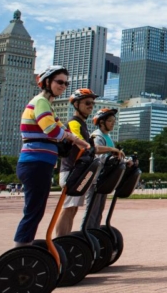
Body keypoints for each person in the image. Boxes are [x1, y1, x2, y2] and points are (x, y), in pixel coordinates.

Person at [15, 66, 90, 247]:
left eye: (66, 83)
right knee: (33, 210)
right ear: (47, 82)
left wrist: (83, 143)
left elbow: (61, 128)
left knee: (36, 209)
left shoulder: (47, 105)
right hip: (34, 163)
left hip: (41, 163)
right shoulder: (40, 102)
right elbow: (52, 130)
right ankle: (21, 252)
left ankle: (25, 248)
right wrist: (74, 139)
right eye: (59, 82)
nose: (63, 86)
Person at [56, 88, 121, 237]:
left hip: (79, 172)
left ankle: (64, 242)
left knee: (72, 209)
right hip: (71, 171)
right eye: (87, 103)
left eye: (92, 103)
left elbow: (89, 148)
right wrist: (110, 149)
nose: (90, 106)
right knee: (68, 209)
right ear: (76, 104)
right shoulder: (74, 123)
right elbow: (84, 146)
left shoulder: (82, 124)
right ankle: (60, 242)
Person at [82, 108, 126, 229]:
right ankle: (85, 235)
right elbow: (98, 155)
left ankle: (94, 233)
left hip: (103, 178)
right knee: (91, 211)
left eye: (114, 121)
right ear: (101, 122)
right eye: (110, 121)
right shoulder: (97, 136)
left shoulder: (108, 137)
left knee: (98, 212)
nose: (113, 123)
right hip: (96, 178)